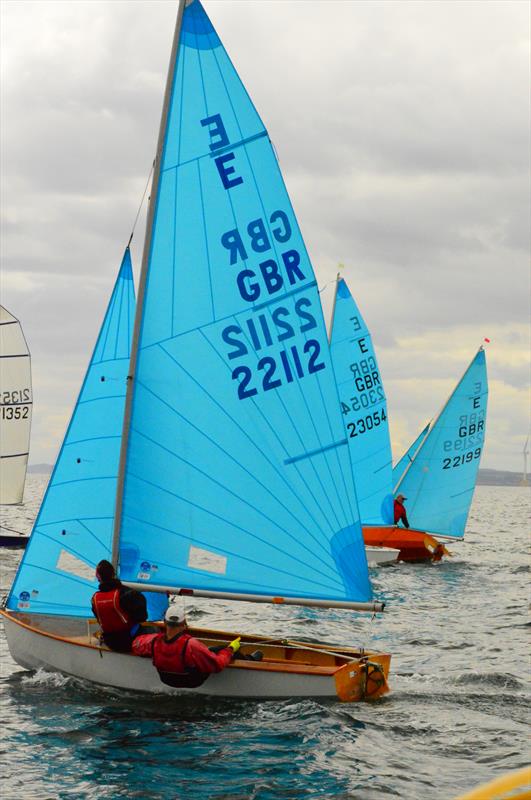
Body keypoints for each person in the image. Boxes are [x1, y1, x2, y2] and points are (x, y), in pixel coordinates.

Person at [133, 604, 241, 688]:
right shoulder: (191, 645)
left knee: (212, 650)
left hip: (167, 680)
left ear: (165, 622)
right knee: (222, 650)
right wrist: (230, 649)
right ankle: (250, 658)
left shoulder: (153, 641)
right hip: (192, 682)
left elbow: (136, 645)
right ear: (184, 623)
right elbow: (217, 665)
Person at [91, 559, 148, 653]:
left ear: (98, 577)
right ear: (113, 574)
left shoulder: (94, 599)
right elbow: (142, 617)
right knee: (155, 629)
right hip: (130, 640)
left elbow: (100, 619)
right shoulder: (129, 594)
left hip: (110, 642)